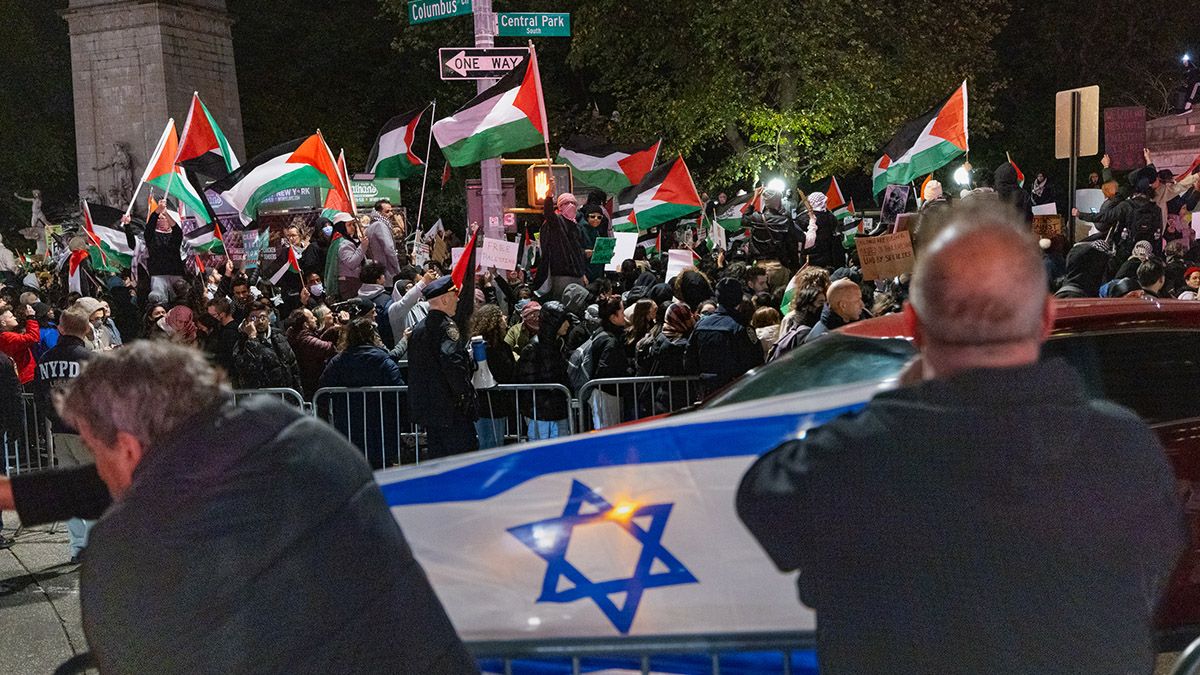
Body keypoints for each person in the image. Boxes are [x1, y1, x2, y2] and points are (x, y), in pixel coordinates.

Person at [736, 202, 1187, 674]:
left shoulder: (849, 461)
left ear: (912, 326)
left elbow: (762, 498)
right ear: (1046, 318)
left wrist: (893, 406)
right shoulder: (1125, 446)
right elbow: (1158, 563)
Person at [52, 341, 475, 672]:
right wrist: (23, 494)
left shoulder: (129, 545)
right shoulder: (304, 438)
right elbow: (181, 475)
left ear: (126, 447)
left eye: (93, 450)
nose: (100, 472)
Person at [32, 307, 94, 562]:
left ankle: (78, 547)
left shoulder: (46, 358)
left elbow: (39, 394)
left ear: (61, 328)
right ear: (86, 329)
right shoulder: (89, 359)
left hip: (59, 431)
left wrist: (53, 417)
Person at [318, 313, 406, 469]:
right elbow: (397, 390)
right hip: (381, 424)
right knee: (382, 468)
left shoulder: (339, 361)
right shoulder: (383, 360)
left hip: (349, 424)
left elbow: (323, 389)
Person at [408, 274, 479, 459]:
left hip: (430, 411)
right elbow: (453, 364)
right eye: (455, 296)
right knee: (463, 464)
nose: (457, 300)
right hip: (451, 411)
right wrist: (465, 396)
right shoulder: (447, 328)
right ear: (445, 299)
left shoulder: (418, 329)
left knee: (439, 463)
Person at [686, 278, 762, 395]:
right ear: (738, 298)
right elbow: (755, 359)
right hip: (734, 391)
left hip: (707, 391)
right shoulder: (741, 326)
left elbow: (689, 360)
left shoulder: (701, 324)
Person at [469, 304, 517, 449]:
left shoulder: (475, 345)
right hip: (493, 403)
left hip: (482, 403)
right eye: (501, 316)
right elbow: (506, 373)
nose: (505, 318)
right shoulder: (497, 348)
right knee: (492, 443)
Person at [233, 300, 303, 391]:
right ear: (246, 321)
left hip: (286, 394)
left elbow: (293, 368)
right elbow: (248, 369)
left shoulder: (279, 337)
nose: (260, 322)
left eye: (263, 317)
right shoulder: (241, 343)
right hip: (261, 397)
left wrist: (298, 394)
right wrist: (252, 338)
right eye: (254, 318)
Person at [533, 191, 589, 300]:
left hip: (577, 276)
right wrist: (549, 197)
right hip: (561, 275)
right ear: (560, 206)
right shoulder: (556, 222)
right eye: (566, 203)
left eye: (573, 203)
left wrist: (582, 273)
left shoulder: (577, 227)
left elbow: (577, 252)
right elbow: (548, 213)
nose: (571, 206)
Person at [285, 307, 338, 399]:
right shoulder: (304, 340)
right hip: (311, 383)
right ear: (306, 325)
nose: (316, 319)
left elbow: (318, 337)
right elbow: (329, 348)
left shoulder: (296, 333)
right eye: (312, 318)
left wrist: (332, 330)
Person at [803, 278, 867, 343]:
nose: (862, 305)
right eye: (857, 301)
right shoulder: (820, 340)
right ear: (843, 306)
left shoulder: (863, 315)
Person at [324, 216, 370, 300]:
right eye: (349, 225)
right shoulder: (344, 243)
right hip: (349, 283)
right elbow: (352, 263)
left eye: (353, 224)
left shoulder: (337, 241)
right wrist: (362, 247)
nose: (353, 227)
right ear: (341, 227)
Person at [0, 302, 39, 386]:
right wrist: (31, 317)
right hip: (26, 378)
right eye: (11, 317)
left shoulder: (7, 335)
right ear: (3, 323)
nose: (14, 318)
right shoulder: (6, 337)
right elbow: (33, 338)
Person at [366, 199, 402, 283]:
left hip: (379, 270)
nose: (391, 214)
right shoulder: (380, 225)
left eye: (391, 211)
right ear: (379, 212)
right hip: (387, 272)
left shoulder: (371, 225)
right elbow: (389, 248)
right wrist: (397, 269)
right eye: (387, 211)